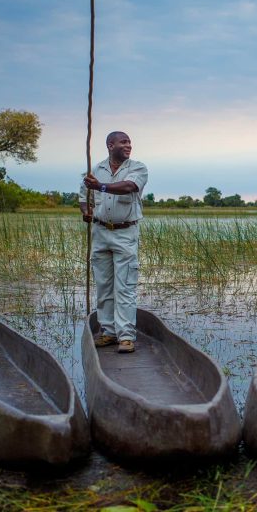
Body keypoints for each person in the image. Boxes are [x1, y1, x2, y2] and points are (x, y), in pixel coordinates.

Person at [80, 131, 148, 353]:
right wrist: (86, 211)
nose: (129, 145)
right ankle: (108, 332)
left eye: (129, 142)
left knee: (125, 287)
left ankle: (126, 336)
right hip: (100, 233)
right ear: (110, 145)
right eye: (123, 142)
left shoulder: (137, 168)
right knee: (104, 286)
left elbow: (129, 187)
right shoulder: (96, 170)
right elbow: (84, 196)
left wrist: (99, 186)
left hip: (125, 234)